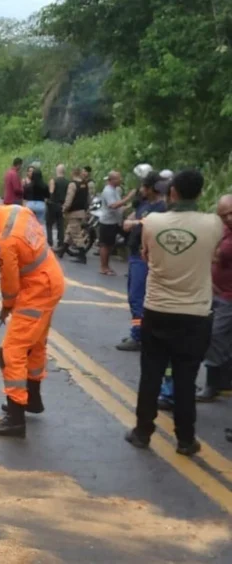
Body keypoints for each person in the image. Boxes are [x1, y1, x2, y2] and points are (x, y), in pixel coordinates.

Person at [126, 170, 224, 457]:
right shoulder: (214, 224)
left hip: (157, 309)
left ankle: (142, 432)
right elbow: (214, 255)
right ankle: (185, 439)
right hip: (195, 314)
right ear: (200, 193)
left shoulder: (153, 222)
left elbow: (145, 255)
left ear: (172, 193)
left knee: (150, 375)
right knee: (185, 379)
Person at [0, 189, 65, 438]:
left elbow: (10, 281)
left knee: (11, 353)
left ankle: (15, 418)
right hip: (51, 279)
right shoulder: (16, 211)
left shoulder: (5, 239)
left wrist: (7, 305)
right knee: (35, 345)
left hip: (37, 289)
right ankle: (32, 400)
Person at [116, 172, 168, 351]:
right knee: (133, 297)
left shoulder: (162, 207)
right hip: (134, 254)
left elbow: (154, 223)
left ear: (151, 189)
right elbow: (136, 216)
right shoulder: (145, 204)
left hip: (144, 256)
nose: (141, 189)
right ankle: (139, 332)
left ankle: (138, 335)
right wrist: (131, 219)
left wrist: (134, 223)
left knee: (137, 297)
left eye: (143, 187)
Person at [196, 193, 232, 402]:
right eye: (223, 215)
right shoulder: (224, 229)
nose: (228, 218)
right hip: (217, 292)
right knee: (219, 336)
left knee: (216, 336)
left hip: (228, 295)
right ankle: (223, 381)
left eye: (231, 213)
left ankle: (212, 384)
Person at [56, 167, 89, 264]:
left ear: (72, 173)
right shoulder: (84, 184)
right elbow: (88, 198)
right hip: (81, 211)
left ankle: (82, 256)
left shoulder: (72, 184)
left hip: (73, 212)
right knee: (69, 232)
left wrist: (64, 208)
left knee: (76, 235)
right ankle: (62, 251)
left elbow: (69, 198)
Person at [99, 171, 125, 276]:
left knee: (110, 245)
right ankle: (103, 267)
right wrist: (128, 198)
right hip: (107, 222)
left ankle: (106, 266)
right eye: (118, 178)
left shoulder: (115, 190)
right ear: (112, 180)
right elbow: (113, 205)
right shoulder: (108, 191)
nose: (120, 180)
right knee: (105, 245)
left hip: (114, 221)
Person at [46, 164, 68, 249]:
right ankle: (60, 242)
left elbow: (51, 193)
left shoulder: (53, 181)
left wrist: (48, 201)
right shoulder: (68, 182)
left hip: (53, 204)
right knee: (60, 225)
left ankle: (50, 242)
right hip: (62, 205)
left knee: (49, 224)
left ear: (57, 171)